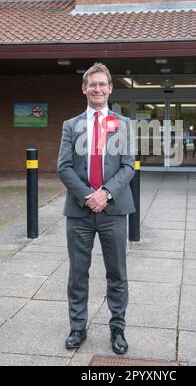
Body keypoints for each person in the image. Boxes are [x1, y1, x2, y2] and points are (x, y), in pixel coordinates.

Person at [57, 62, 135, 354]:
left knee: (117, 273)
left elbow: (128, 167)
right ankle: (78, 327)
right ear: (84, 89)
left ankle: (118, 329)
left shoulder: (124, 124)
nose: (98, 89)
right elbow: (63, 168)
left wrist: (105, 194)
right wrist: (89, 196)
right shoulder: (71, 125)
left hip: (113, 212)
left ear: (110, 88)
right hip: (80, 212)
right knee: (78, 274)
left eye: (103, 84)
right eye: (93, 84)